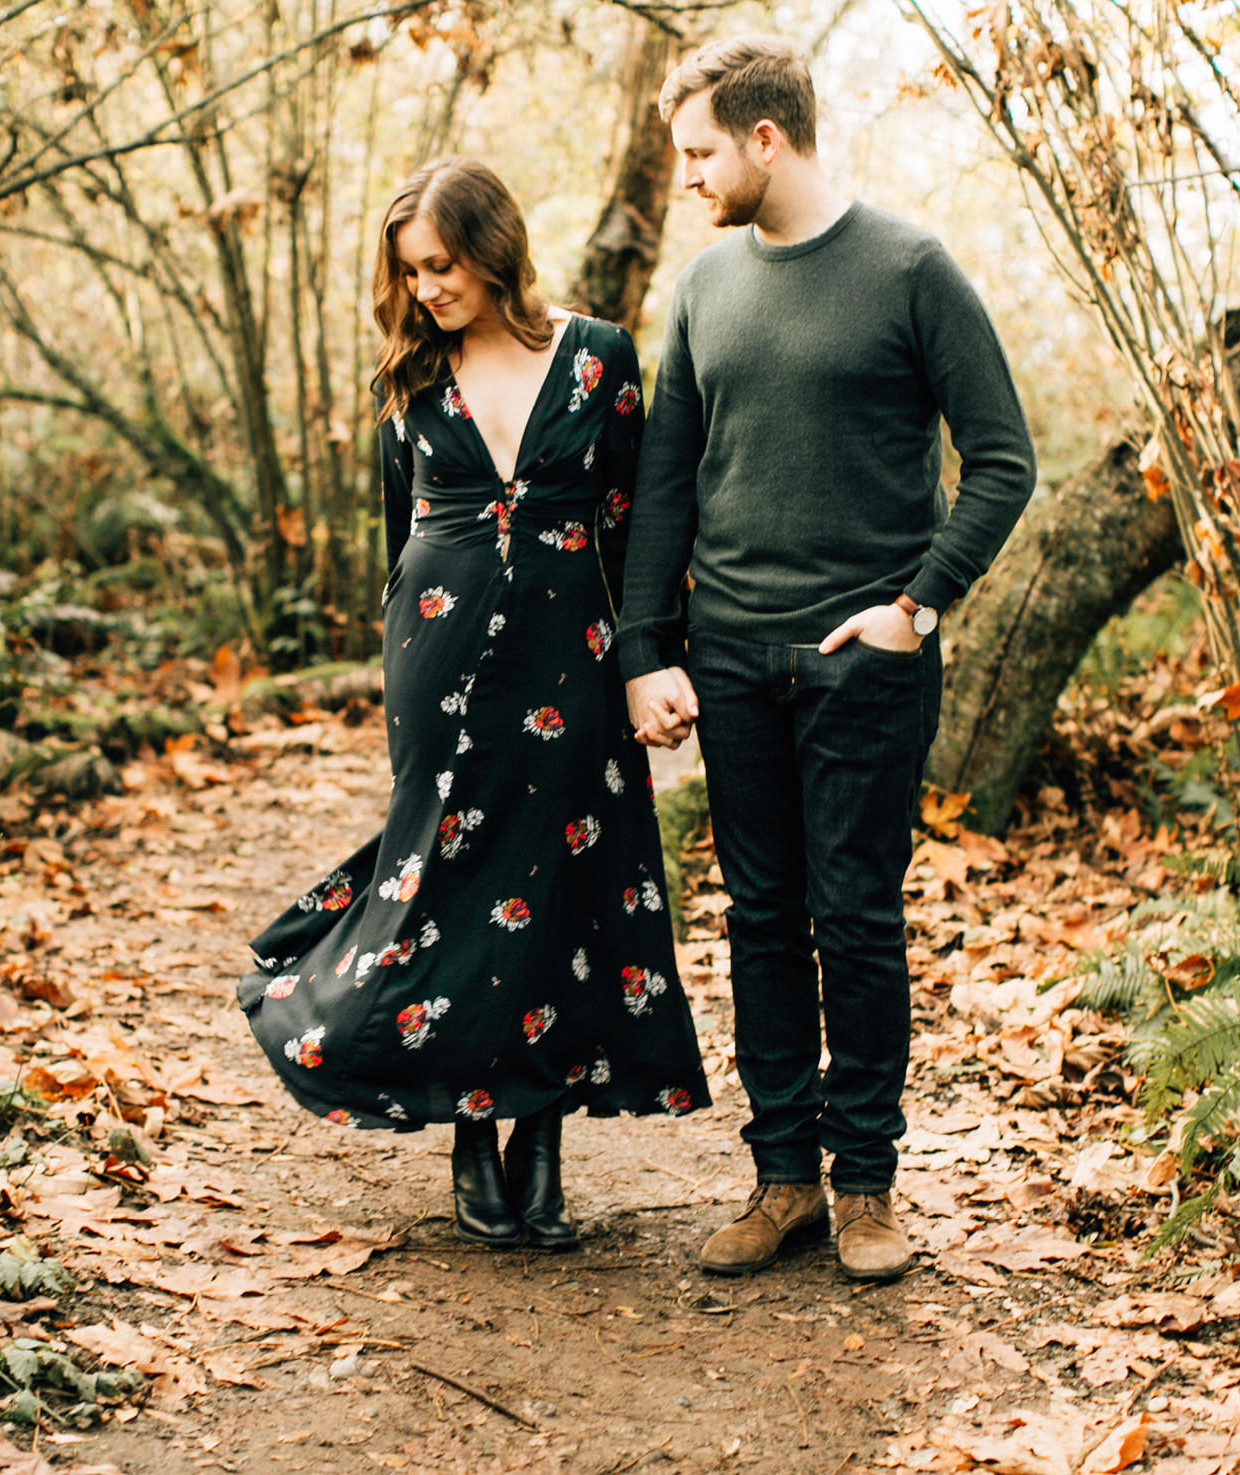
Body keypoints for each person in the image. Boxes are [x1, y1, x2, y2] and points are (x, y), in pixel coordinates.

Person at [617, 37, 1037, 1282]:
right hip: (734, 658)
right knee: (757, 919)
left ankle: (865, 1187)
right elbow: (662, 489)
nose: (685, 176)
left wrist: (915, 603)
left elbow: (1001, 460)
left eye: (698, 151)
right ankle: (782, 1179)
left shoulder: (908, 268)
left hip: (864, 663)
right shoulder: (700, 288)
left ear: (763, 138)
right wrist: (647, 647)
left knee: (852, 920)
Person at [239, 158, 710, 1251]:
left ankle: (538, 1133)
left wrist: (650, 654)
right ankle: (467, 1127)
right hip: (438, 658)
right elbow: (397, 537)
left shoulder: (598, 357)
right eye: (408, 272)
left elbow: (641, 523)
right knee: (451, 879)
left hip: (573, 651)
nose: (425, 290)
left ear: (493, 251)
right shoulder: (407, 383)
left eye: (441, 265)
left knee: (563, 878)